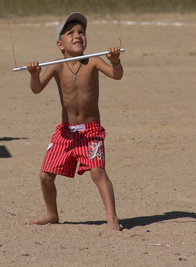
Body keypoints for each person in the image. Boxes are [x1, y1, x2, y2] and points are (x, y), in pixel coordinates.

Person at [25, 12, 124, 231]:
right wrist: (33, 74)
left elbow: (117, 75)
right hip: (66, 132)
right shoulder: (57, 66)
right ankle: (52, 214)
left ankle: (111, 217)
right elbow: (37, 89)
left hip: (91, 131)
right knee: (45, 176)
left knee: (98, 173)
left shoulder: (94, 62)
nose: (77, 36)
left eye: (81, 32)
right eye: (70, 33)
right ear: (60, 44)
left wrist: (115, 62)